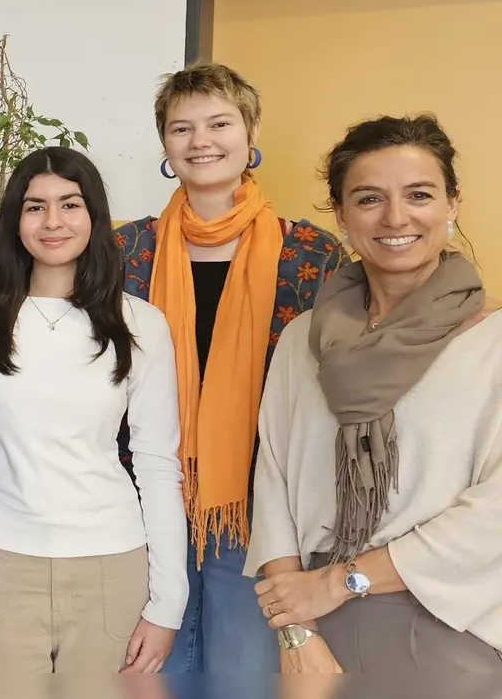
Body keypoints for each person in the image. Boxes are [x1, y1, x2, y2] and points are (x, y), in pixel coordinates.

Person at [113, 62, 345, 676]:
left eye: (219, 123)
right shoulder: (124, 250)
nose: (201, 141)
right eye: (181, 128)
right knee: (149, 678)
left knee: (243, 677)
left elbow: (328, 383)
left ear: (251, 134)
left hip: (260, 509)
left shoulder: (309, 251)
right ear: (164, 143)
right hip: (141, 498)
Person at [249, 115, 502, 674]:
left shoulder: (494, 345)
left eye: (419, 194)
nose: (395, 217)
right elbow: (273, 481)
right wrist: (297, 629)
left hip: (445, 620)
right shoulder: (302, 341)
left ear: (452, 204)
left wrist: (342, 582)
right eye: (368, 198)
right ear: (340, 214)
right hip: (310, 624)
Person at [0, 147, 187, 674]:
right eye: (34, 206)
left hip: (110, 568)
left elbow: (158, 464)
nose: (52, 222)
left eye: (70, 204)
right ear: (13, 221)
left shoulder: (141, 324)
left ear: (94, 215)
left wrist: (168, 604)